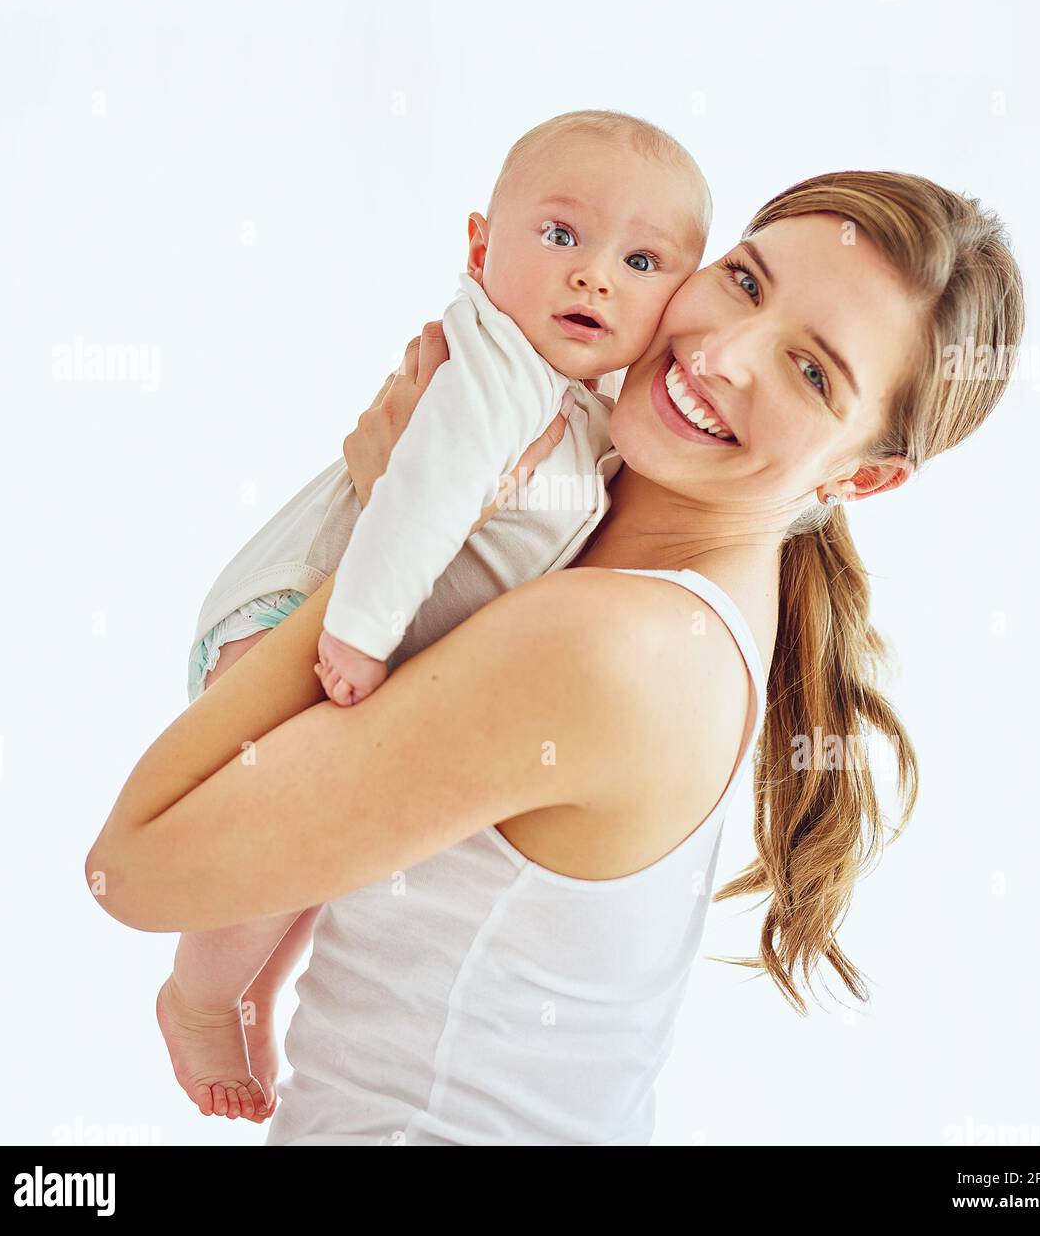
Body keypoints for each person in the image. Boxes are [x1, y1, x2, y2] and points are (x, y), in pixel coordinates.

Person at [85, 168, 1026, 1145]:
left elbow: (135, 868)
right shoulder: (602, 508)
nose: (724, 353)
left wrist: (397, 532)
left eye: (813, 372)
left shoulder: (616, 648)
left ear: (862, 475)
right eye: (746, 282)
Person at [157, 108, 711, 1120]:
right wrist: (359, 636)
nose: (594, 275)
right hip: (301, 614)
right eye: (561, 236)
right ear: (478, 246)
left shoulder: (583, 401)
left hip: (344, 628)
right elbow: (417, 501)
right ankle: (199, 995)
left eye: (640, 260)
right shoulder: (499, 371)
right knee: (274, 842)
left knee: (307, 858)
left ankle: (256, 985)